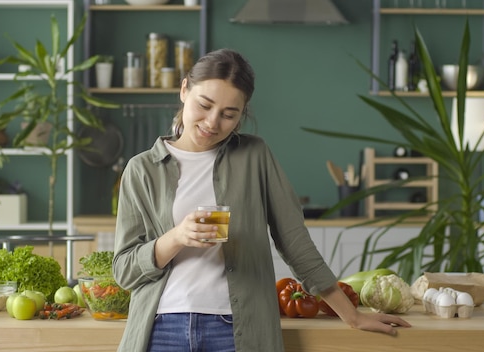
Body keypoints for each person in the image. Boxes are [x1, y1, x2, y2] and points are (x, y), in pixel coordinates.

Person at [112, 48, 411, 352]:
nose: (213, 123)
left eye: (229, 114)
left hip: (237, 329)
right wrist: (176, 237)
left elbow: (295, 243)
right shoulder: (142, 169)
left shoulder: (254, 156)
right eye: (204, 105)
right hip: (162, 328)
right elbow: (124, 270)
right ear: (184, 89)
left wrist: (351, 315)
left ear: (242, 113)